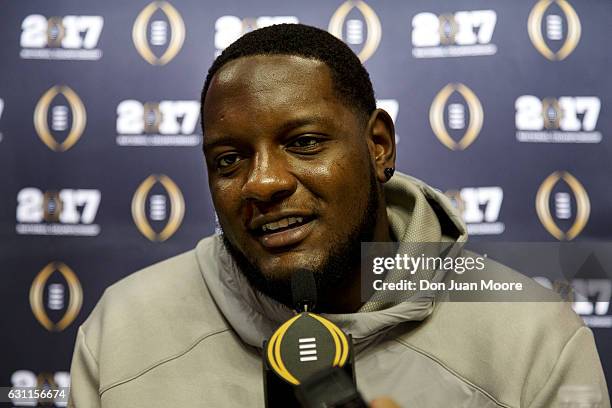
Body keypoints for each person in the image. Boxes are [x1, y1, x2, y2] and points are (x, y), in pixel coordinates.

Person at [68, 24, 609, 407]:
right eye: (228, 159)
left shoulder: (531, 336)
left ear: (378, 146)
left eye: (303, 143)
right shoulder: (123, 328)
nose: (263, 182)